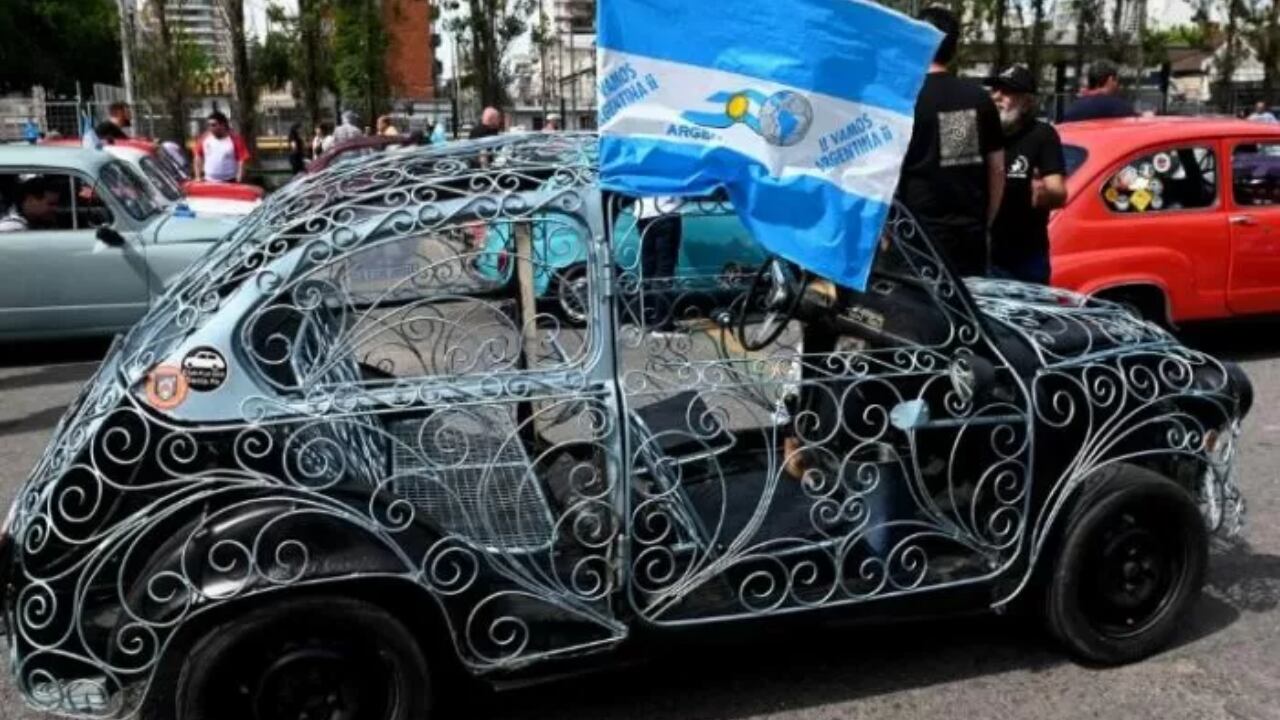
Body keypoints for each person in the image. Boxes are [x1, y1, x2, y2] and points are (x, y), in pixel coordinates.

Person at [898, 6, 1004, 277]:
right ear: (954, 47)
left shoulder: (901, 99)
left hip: (913, 234)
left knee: (914, 315)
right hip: (966, 237)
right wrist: (986, 223)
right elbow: (995, 170)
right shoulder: (976, 98)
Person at [986, 66, 1068, 284]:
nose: (996, 96)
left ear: (1027, 101)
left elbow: (1059, 193)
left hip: (1025, 257)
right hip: (984, 252)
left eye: (1006, 92)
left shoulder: (1042, 135)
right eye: (995, 90)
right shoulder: (979, 132)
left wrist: (1043, 195)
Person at [634, 196, 683, 332]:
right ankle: (662, 324)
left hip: (643, 213)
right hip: (666, 212)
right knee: (664, 269)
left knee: (648, 268)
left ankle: (645, 319)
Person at [1061, 60, 1136, 122]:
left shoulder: (1072, 109)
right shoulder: (1121, 108)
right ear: (1110, 80)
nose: (1118, 85)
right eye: (1116, 80)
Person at [193, 111, 251, 183]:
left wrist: (239, 179)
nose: (210, 128)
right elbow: (198, 157)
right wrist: (198, 176)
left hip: (230, 180)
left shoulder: (235, 139)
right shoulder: (204, 138)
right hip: (209, 180)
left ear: (222, 125)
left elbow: (241, 161)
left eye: (213, 125)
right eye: (209, 125)